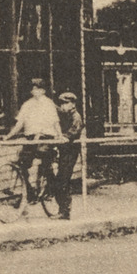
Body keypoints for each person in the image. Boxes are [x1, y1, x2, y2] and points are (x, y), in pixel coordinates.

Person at [2, 79, 62, 199]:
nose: (35, 91)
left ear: (43, 91)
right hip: (31, 138)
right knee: (21, 162)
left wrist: (59, 135)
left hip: (45, 138)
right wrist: (8, 136)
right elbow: (19, 124)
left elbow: (56, 123)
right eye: (33, 88)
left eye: (38, 88)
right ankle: (29, 192)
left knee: (45, 160)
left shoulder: (48, 103)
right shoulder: (27, 104)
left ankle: (51, 189)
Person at [54, 91, 84, 220]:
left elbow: (74, 130)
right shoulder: (65, 115)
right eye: (62, 104)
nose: (63, 106)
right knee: (60, 179)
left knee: (63, 179)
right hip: (64, 151)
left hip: (70, 152)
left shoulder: (76, 116)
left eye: (65, 103)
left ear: (72, 104)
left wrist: (65, 137)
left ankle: (65, 211)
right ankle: (63, 209)